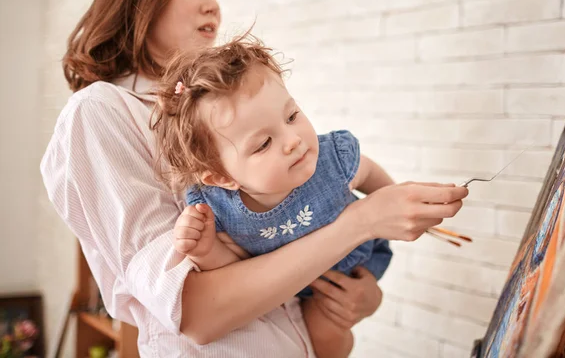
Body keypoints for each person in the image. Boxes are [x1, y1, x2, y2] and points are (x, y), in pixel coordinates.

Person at [40, 0, 469, 356]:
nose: (211, 4)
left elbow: (289, 249)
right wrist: (360, 223)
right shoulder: (102, 112)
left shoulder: (225, 111)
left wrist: (362, 295)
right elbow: (194, 314)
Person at [151, 35, 395, 357]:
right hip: (292, 288)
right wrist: (205, 251)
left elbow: (366, 172)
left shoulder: (329, 161)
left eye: (292, 116)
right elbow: (237, 266)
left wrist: (395, 197)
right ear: (222, 177)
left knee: (328, 330)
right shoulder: (218, 210)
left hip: (348, 268)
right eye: (264, 144)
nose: (293, 140)